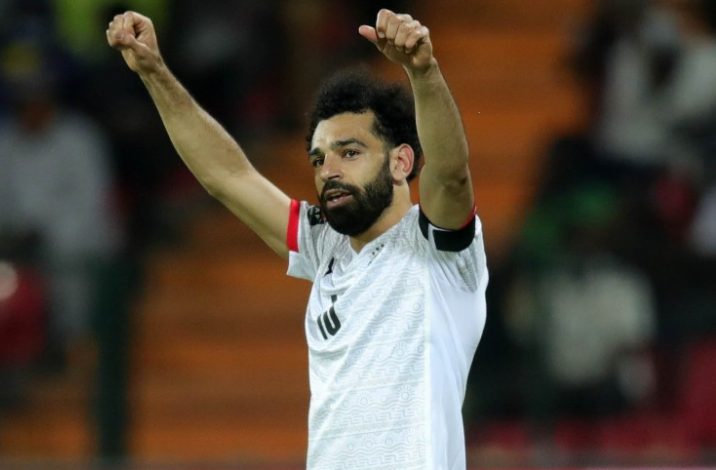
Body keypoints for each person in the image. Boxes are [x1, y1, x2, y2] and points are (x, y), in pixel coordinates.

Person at [107, 8, 487, 469]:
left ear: (401, 163)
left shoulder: (437, 251)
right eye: (319, 159)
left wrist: (423, 72)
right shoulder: (325, 246)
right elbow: (227, 175)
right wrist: (154, 72)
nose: (329, 171)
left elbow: (451, 176)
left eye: (350, 152)